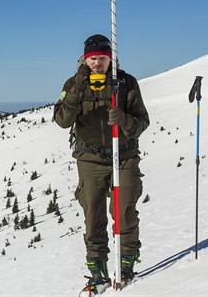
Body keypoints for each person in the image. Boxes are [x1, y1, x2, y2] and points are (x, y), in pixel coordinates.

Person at [53, 34, 150, 293]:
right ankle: (97, 266)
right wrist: (76, 94)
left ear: (110, 59)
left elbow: (142, 123)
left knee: (123, 207)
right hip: (90, 159)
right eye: (93, 58)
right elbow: (62, 120)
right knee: (93, 212)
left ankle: (127, 259)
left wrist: (124, 121)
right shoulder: (74, 84)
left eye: (103, 58)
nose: (97, 63)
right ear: (85, 59)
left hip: (124, 155)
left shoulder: (126, 83)